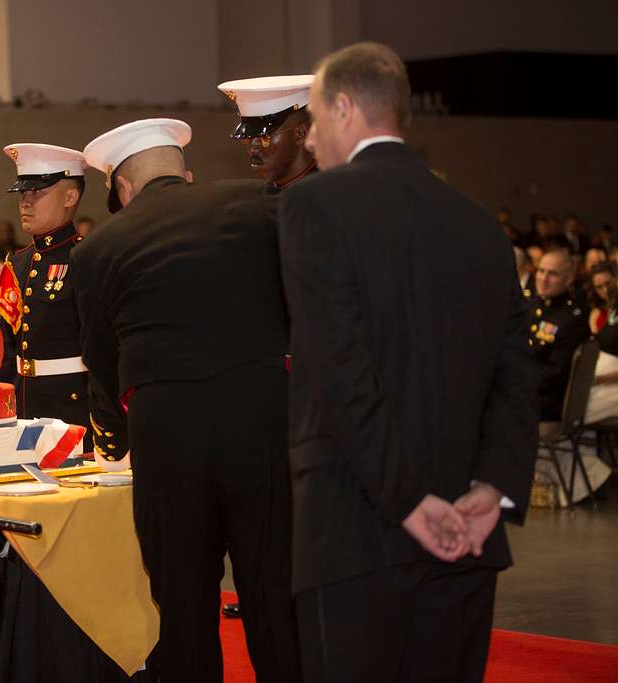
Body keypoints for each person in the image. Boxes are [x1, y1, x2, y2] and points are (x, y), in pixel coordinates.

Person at [279, 42, 538, 683]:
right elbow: (515, 377)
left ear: (344, 108)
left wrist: (409, 501)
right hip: (469, 537)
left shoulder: (315, 206)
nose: (308, 139)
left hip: (355, 532)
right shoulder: (481, 225)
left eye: (312, 117)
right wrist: (488, 491)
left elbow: (338, 370)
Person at [74, 119, 298, 682]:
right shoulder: (258, 202)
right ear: (185, 173)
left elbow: (101, 361)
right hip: (262, 419)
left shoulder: (98, 247)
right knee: (275, 591)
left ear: (122, 187)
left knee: (181, 600)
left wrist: (122, 437)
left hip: (166, 433)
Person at [217, 73, 315, 619]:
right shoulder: (252, 206)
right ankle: (270, 589)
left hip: (317, 385)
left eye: (267, 133)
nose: (254, 144)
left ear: (302, 130)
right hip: (259, 386)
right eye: (249, 134)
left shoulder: (331, 201)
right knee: (266, 503)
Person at [0, 143, 91, 447]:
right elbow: (5, 343)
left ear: (70, 197)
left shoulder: (87, 258)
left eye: (38, 192)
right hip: (24, 405)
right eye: (23, 193)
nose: (26, 202)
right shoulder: (18, 262)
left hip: (73, 409)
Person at [218, 74, 316, 192]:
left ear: (300, 133)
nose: (252, 148)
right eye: (248, 138)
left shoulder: (329, 196)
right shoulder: (256, 200)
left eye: (264, 137)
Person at [529, 245, 589, 421]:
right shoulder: (532, 305)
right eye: (541, 271)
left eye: (552, 274)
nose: (543, 279)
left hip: (544, 400)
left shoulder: (573, 319)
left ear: (569, 279)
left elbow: (554, 375)